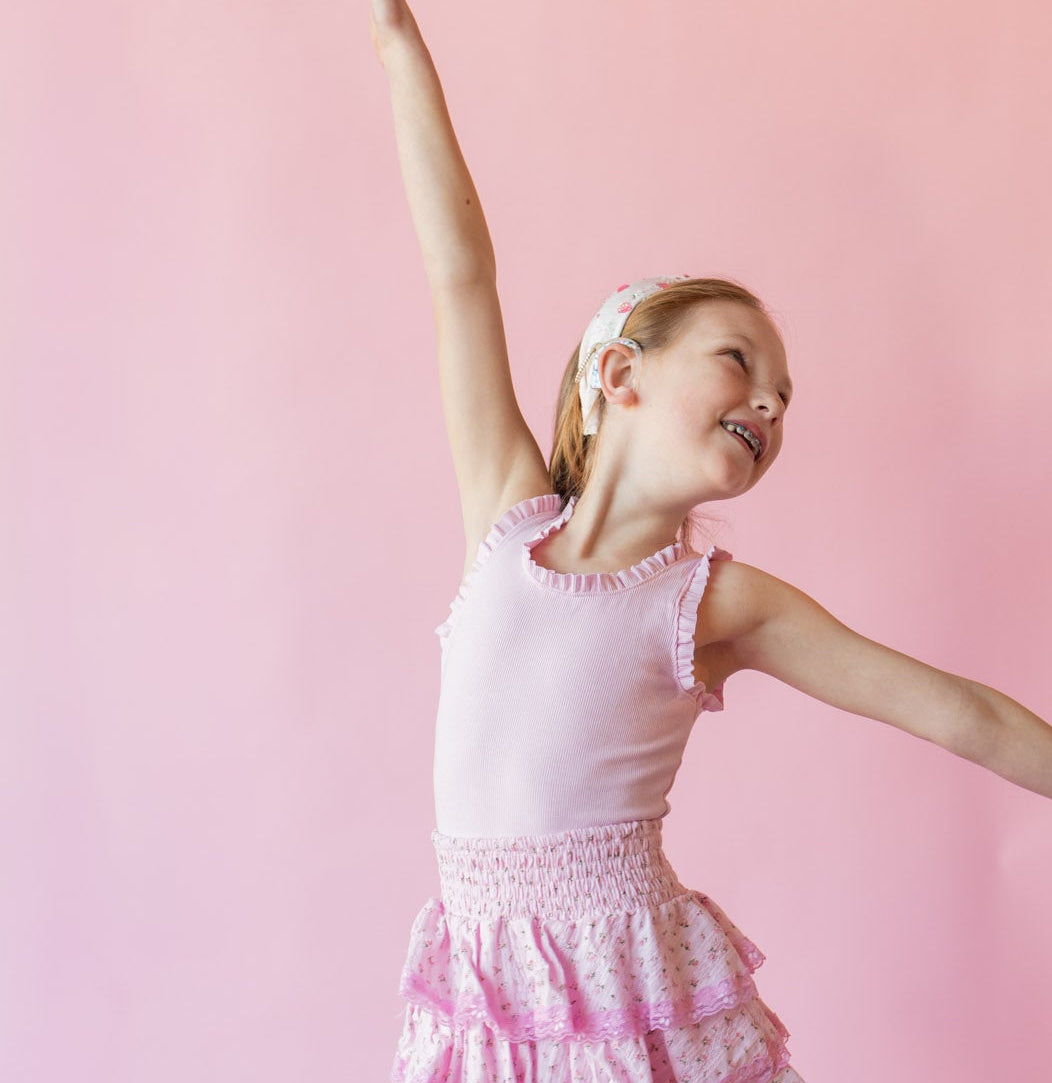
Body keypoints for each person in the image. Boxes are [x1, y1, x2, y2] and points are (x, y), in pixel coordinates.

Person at [369, 2, 1052, 1079]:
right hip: (484, 995)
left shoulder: (710, 602)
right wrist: (395, 37)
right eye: (740, 363)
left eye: (783, 400)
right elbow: (460, 270)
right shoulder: (503, 518)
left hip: (625, 992)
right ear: (618, 374)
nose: (770, 406)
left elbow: (953, 711)